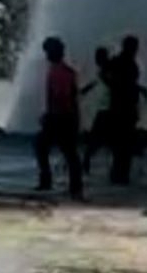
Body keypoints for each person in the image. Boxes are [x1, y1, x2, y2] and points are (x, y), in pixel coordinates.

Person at [34, 37, 84, 200]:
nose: (46, 55)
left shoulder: (57, 72)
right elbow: (72, 96)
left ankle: (50, 181)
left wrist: (50, 115)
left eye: (48, 51)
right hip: (66, 117)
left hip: (60, 117)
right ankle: (74, 187)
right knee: (68, 153)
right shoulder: (67, 71)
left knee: (45, 147)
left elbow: (61, 96)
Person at [107, 35, 142, 185]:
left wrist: (113, 86)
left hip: (119, 106)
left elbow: (105, 73)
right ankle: (121, 174)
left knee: (120, 144)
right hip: (124, 107)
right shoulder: (128, 63)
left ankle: (118, 173)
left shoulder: (118, 61)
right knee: (124, 144)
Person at [81, 47, 113, 175]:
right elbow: (97, 81)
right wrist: (85, 89)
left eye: (98, 57)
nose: (96, 61)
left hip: (108, 109)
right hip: (104, 108)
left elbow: (113, 83)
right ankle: (87, 162)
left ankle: (86, 162)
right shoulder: (103, 70)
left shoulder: (108, 69)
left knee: (96, 138)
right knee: (99, 139)